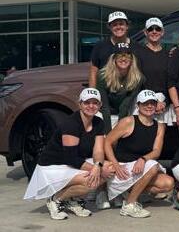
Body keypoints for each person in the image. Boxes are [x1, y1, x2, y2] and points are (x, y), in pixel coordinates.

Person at [24, 88, 114, 220]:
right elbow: (70, 158)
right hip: (53, 166)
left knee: (109, 168)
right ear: (80, 104)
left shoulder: (98, 122)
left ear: (100, 105)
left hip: (73, 162)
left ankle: (73, 200)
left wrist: (98, 166)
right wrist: (95, 170)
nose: (91, 106)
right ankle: (56, 199)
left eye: (95, 103)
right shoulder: (71, 124)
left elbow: (99, 151)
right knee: (92, 181)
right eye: (87, 102)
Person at [104, 90, 174, 218]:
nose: (149, 106)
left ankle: (128, 193)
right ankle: (129, 205)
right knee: (153, 166)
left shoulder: (160, 126)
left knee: (168, 183)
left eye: (152, 103)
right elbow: (107, 142)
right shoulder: (128, 121)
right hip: (123, 171)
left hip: (140, 169)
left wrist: (143, 159)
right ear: (138, 105)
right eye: (145, 103)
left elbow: (156, 151)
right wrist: (116, 165)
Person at [96, 43, 144, 133]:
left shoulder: (138, 78)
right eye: (119, 56)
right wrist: (109, 132)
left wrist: (118, 131)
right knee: (97, 114)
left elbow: (125, 105)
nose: (123, 59)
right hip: (106, 112)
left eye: (127, 56)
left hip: (126, 112)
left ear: (132, 59)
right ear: (113, 59)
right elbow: (104, 106)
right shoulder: (102, 76)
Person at [133, 18, 171, 124]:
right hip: (143, 102)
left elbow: (171, 82)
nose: (154, 31)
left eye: (157, 29)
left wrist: (165, 102)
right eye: (150, 29)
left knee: (161, 133)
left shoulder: (169, 55)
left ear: (162, 32)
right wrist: (151, 101)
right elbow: (137, 80)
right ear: (145, 32)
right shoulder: (138, 53)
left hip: (162, 105)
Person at [89, 11, 133, 88]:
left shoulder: (137, 47)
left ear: (127, 26)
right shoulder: (100, 46)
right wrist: (92, 92)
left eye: (121, 24)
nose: (118, 27)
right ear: (109, 27)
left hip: (131, 91)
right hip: (105, 91)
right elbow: (93, 71)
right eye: (114, 25)